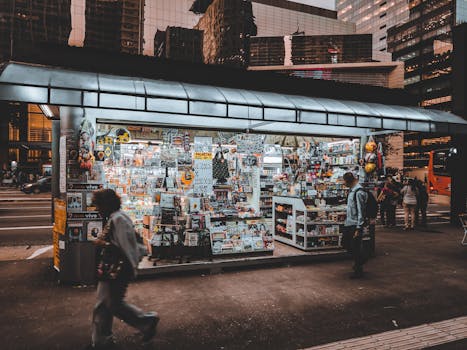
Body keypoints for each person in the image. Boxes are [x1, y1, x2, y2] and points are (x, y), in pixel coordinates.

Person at [90, 189, 159, 349]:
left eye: (98, 205)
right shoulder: (115, 218)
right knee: (107, 305)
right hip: (113, 270)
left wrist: (103, 244)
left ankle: (146, 321)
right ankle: (102, 340)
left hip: (117, 271)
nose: (97, 209)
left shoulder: (118, 219)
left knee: (109, 305)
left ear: (106, 205)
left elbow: (126, 248)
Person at [342, 172, 368, 279]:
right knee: (345, 243)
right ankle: (361, 259)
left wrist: (359, 227)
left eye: (344, 181)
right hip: (349, 223)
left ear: (349, 181)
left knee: (355, 247)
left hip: (355, 224)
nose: (344, 183)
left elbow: (361, 211)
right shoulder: (352, 191)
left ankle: (358, 269)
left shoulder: (358, 192)